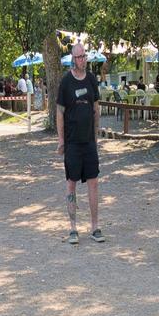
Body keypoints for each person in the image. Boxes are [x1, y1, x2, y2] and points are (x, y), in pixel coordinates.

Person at [57, 43, 104, 244]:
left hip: (89, 142)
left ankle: (95, 227)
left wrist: (96, 136)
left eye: (84, 56)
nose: (82, 60)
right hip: (72, 143)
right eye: (78, 57)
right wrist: (61, 141)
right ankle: (73, 228)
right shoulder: (66, 82)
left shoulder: (92, 80)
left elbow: (96, 109)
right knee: (71, 184)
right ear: (72, 59)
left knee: (93, 183)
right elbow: (59, 112)